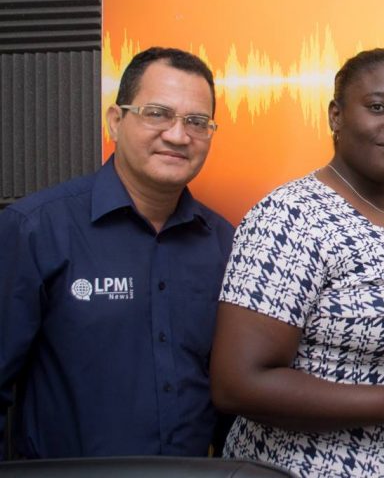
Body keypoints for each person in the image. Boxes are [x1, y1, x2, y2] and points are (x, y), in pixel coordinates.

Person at [209, 48, 384, 478]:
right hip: (305, 467)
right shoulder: (290, 215)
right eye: (378, 107)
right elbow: (238, 384)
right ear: (336, 116)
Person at [0, 47, 234, 459]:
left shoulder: (223, 243)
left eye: (197, 122)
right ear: (115, 120)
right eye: (157, 113)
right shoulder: (36, 229)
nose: (178, 136)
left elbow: (230, 399)